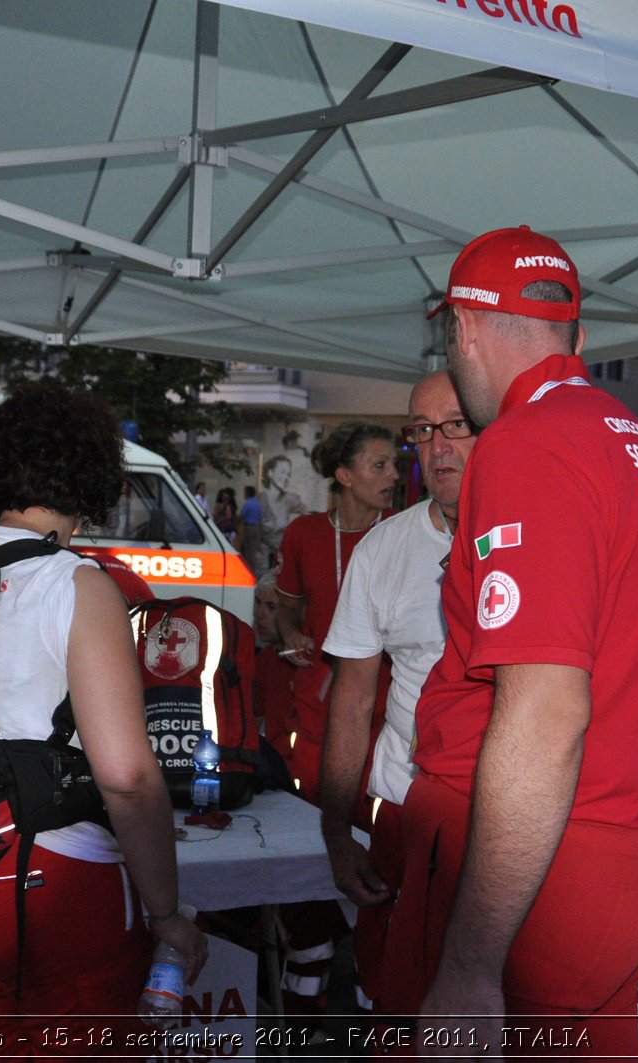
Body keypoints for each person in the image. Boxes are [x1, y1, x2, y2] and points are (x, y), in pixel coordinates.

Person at [382, 227, 638, 1057]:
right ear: (577, 339)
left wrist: (473, 964)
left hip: (521, 881)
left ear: (463, 331)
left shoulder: (526, 443)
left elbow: (548, 713)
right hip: (625, 869)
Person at [0, 380, 204, 1048]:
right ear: (92, 476)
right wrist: (167, 912)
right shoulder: (75, 582)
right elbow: (126, 774)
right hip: (47, 876)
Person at [318, 371, 476, 1013]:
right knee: (393, 999)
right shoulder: (384, 547)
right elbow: (352, 701)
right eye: (423, 429)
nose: (438, 446)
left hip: (508, 825)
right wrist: (335, 832)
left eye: (457, 426)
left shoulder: (543, 541)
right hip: (403, 814)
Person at [274, 421, 397, 805]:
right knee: (315, 824)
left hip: (387, 709)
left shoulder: (403, 532)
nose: (393, 475)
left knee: (374, 839)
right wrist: (292, 636)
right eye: (379, 465)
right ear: (344, 476)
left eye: (393, 464)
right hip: (318, 706)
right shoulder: (304, 534)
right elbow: (286, 610)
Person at [252, 573, 295, 740]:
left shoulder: (308, 662)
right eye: (258, 603)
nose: (259, 613)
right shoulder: (264, 658)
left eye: (271, 606)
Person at [259, 455, 307, 569]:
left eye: (288, 474)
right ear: (270, 473)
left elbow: (309, 514)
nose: (285, 477)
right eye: (282, 472)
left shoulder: (290, 499)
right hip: (261, 560)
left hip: (282, 559)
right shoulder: (259, 499)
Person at [238, 485, 266, 576]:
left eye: (244, 492)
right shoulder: (258, 504)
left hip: (248, 528)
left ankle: (250, 572)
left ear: (247, 493)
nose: (243, 494)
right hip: (256, 528)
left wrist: (236, 525)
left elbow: (242, 516)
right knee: (252, 550)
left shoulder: (248, 503)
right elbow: (261, 517)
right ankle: (251, 570)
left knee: (248, 551)